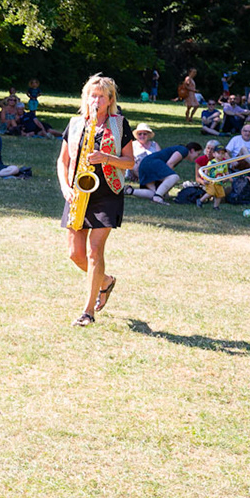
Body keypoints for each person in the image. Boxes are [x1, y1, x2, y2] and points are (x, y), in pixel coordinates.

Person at [57, 74, 136, 327]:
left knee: (94, 251)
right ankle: (105, 281)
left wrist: (106, 158)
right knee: (74, 254)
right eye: (92, 95)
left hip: (107, 193)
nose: (96, 100)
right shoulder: (76, 123)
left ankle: (88, 311)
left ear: (110, 99)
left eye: (101, 96)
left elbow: (130, 162)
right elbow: (63, 161)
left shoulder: (120, 124)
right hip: (77, 192)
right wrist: (64, 188)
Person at [129, 124, 183, 202]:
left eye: (145, 134)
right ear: (136, 135)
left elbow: (159, 158)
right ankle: (156, 192)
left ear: (148, 135)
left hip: (153, 169)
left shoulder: (154, 144)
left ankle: (156, 192)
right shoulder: (132, 145)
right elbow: (129, 159)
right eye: (140, 134)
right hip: (139, 170)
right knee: (135, 165)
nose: (142, 136)